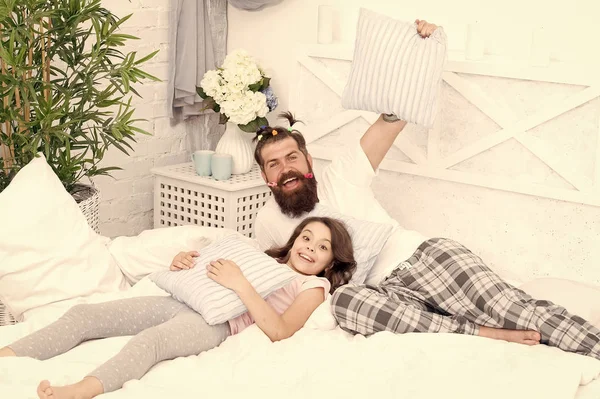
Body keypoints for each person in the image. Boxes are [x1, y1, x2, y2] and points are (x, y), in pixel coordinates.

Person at [251, 19, 600, 362]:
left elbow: (394, 116)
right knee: (345, 304)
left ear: (308, 160)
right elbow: (257, 269)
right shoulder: (268, 221)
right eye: (274, 164)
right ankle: (477, 331)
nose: (286, 170)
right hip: (381, 295)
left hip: (421, 261)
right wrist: (194, 254)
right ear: (265, 175)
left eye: (292, 158)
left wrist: (420, 51)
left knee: (510, 309)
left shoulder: (342, 175)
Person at [0, 217, 357, 399]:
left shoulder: (314, 286)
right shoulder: (260, 257)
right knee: (84, 315)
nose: (309, 247)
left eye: (322, 247)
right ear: (294, 240)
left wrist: (240, 284)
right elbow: (210, 268)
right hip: (181, 300)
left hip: (214, 323)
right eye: (306, 238)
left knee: (149, 343)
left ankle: (80, 389)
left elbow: (280, 331)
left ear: (330, 262)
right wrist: (186, 263)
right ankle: (7, 353)